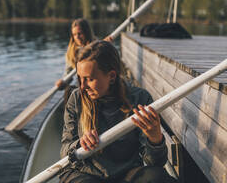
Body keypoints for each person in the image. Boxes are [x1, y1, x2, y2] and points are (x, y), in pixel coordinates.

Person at [60, 40, 177, 183]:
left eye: (89, 79)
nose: (82, 87)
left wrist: (155, 139)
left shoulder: (140, 98)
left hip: (127, 174)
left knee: (157, 177)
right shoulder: (76, 98)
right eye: (79, 78)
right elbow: (64, 151)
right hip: (86, 173)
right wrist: (79, 144)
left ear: (112, 76)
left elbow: (156, 163)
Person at [55, 19, 113, 90]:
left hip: (96, 85)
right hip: (82, 85)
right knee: (68, 91)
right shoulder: (71, 52)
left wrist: (107, 47)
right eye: (74, 34)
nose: (77, 37)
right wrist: (63, 82)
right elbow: (68, 73)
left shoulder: (98, 47)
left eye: (80, 33)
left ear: (87, 32)